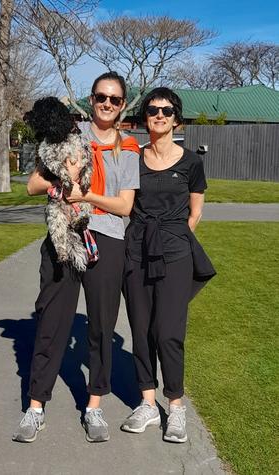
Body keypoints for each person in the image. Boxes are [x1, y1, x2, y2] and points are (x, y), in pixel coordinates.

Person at [12, 72, 140, 443]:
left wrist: (85, 196)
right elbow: (32, 185)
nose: (107, 104)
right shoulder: (69, 133)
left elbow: (126, 206)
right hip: (63, 238)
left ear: (122, 105)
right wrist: (61, 183)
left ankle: (94, 406)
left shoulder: (128, 147)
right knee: (51, 322)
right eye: (101, 97)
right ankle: (35, 408)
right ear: (91, 98)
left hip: (107, 242)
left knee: (101, 327)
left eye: (115, 100)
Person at [121, 87, 215, 443]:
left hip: (175, 253)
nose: (159, 115)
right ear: (145, 118)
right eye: (152, 110)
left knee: (169, 331)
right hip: (137, 251)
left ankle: (175, 407)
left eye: (166, 110)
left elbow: (196, 212)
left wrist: (174, 240)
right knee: (141, 328)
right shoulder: (133, 158)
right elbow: (124, 203)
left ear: (176, 118)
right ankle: (147, 402)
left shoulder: (191, 162)